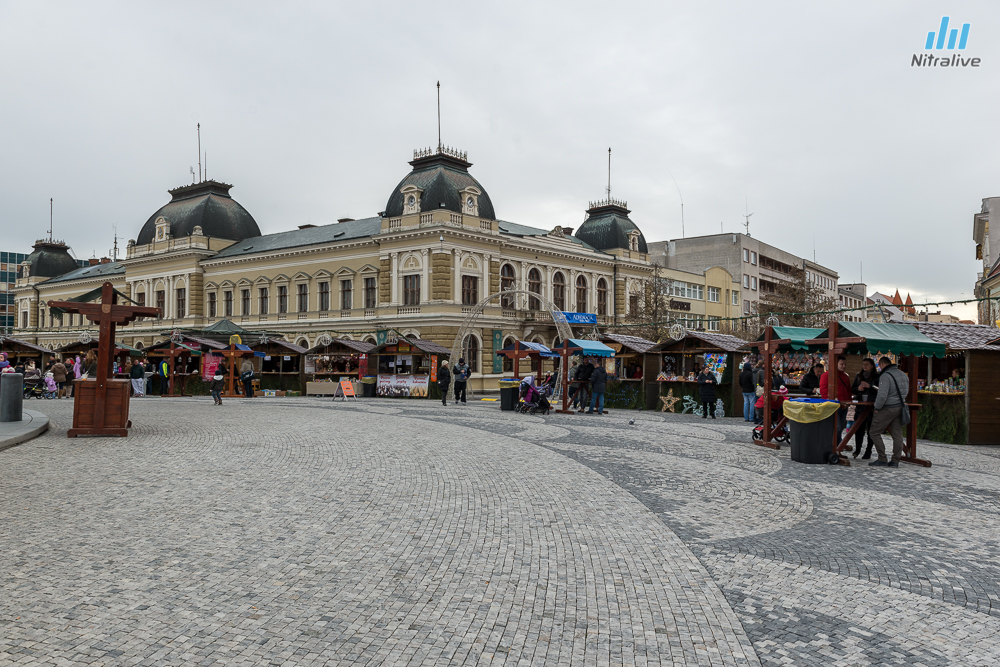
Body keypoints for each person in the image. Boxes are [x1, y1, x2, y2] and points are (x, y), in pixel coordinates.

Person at [869, 356, 909, 468]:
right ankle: (895, 460)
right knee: (897, 434)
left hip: (887, 407)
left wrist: (877, 407)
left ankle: (882, 458)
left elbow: (882, 395)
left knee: (874, 432)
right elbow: (906, 391)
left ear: (882, 364)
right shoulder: (903, 374)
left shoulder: (885, 376)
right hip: (899, 407)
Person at [851, 358, 879, 459]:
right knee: (859, 429)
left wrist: (870, 386)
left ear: (872, 366)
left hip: (872, 406)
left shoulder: (877, 376)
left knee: (871, 430)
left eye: (867, 364)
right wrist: (858, 389)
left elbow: (879, 389)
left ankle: (868, 451)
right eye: (863, 364)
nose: (865, 366)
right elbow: (852, 389)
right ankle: (857, 449)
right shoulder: (859, 376)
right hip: (860, 406)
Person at [819, 357, 852, 438]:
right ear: (835, 364)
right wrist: (830, 403)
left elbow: (848, 390)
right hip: (833, 405)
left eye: (845, 364)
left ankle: (837, 446)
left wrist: (849, 402)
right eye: (841, 364)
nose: (844, 366)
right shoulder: (826, 375)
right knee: (836, 427)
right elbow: (823, 391)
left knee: (841, 427)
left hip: (844, 405)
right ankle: (834, 446)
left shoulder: (845, 376)